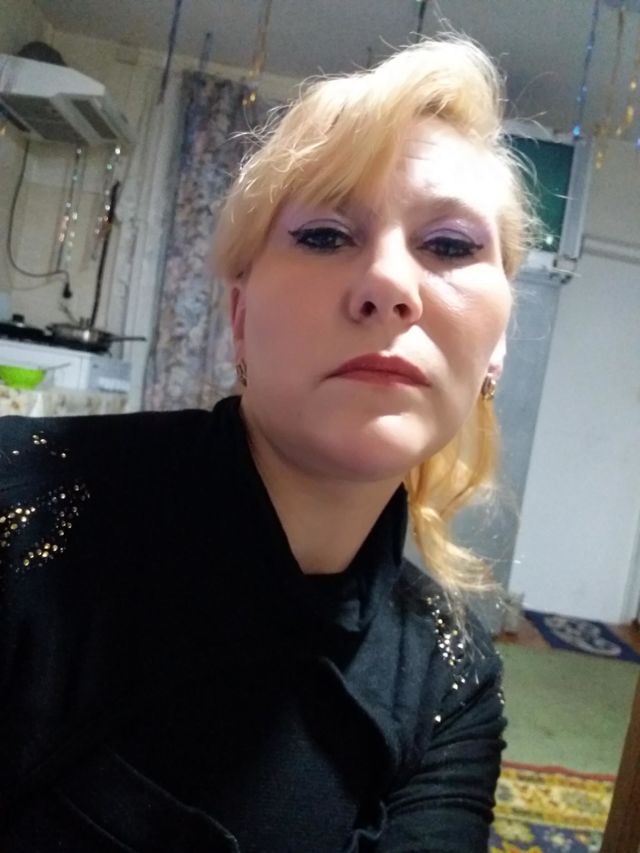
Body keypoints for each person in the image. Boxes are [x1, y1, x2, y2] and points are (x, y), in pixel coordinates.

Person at [0, 35, 531, 852]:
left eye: (451, 246)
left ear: (497, 348)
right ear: (240, 315)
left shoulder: (452, 677)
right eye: (325, 234)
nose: (389, 284)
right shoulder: (19, 507)